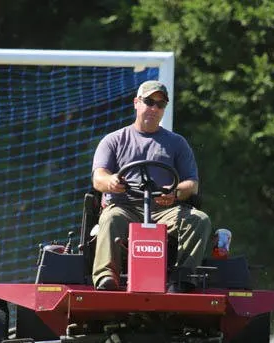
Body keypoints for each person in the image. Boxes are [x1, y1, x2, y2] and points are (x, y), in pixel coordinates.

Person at [91, 80, 212, 293]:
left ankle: (182, 279)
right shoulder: (114, 140)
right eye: (149, 102)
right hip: (125, 207)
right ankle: (106, 277)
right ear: (136, 103)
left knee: (199, 220)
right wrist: (111, 181)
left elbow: (192, 184)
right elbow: (98, 177)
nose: (154, 108)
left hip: (165, 210)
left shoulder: (177, 143)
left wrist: (175, 193)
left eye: (160, 104)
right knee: (111, 218)